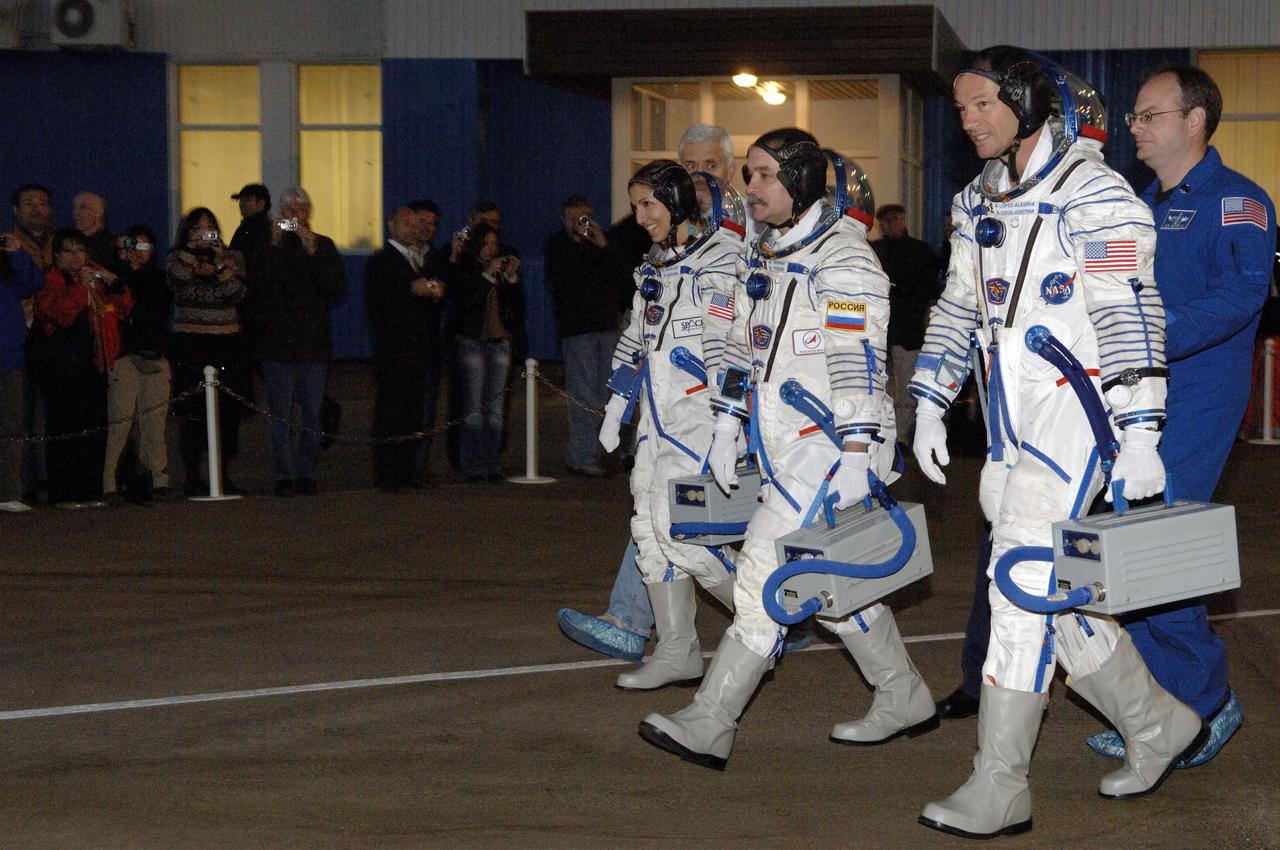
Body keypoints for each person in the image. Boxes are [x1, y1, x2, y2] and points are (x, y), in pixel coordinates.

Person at [910, 48, 1203, 840]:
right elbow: (958, 306)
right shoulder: (977, 200)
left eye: (983, 104)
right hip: (1009, 424)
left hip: (1077, 416)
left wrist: (1140, 430)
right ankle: (1157, 724)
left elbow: (1130, 313)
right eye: (961, 107)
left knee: (1019, 582)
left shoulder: (1097, 196)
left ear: (1028, 104)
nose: (968, 119)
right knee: (1056, 590)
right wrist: (929, 401)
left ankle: (1000, 781)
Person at [640, 128, 931, 769]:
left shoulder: (844, 258)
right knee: (830, 580)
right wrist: (726, 421)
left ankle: (712, 719)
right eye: (749, 174)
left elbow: (858, 361)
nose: (752, 187)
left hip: (828, 447)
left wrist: (856, 449)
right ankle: (902, 692)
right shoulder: (764, 255)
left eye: (766, 174)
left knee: (763, 574)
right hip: (781, 446)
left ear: (800, 181)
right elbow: (740, 346)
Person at [1081, 65, 1275, 771]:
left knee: (1153, 548)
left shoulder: (1238, 202)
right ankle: (1161, 708)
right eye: (1134, 116)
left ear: (1195, 121)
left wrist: (1146, 335)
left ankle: (1205, 703)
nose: (1134, 127)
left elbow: (1242, 298)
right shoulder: (1133, 205)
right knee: (1123, 549)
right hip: (1126, 401)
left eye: (1150, 115)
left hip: (1195, 401)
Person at [556, 123, 742, 663]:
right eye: (688, 167)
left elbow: (732, 351)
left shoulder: (731, 251)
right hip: (661, 421)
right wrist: (617, 404)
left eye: (707, 166)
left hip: (709, 420)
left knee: (686, 534)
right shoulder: (657, 263)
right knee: (651, 523)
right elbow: (637, 337)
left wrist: (729, 423)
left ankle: (766, 617)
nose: (640, 217)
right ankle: (668, 644)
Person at [255, 187, 346, 497]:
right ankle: (284, 475)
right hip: (277, 345)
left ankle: (306, 472)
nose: (296, 216)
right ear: (280, 213)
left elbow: (335, 286)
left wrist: (313, 252)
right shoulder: (269, 245)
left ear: (309, 213)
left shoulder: (323, 245)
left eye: (302, 210)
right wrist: (273, 244)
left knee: (311, 414)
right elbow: (260, 286)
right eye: (289, 210)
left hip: (312, 345)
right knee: (279, 415)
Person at [31, 229, 132, 508]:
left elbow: (123, 305)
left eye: (80, 250)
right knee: (66, 427)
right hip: (62, 367)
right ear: (56, 256)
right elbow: (59, 313)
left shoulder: (96, 277)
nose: (75, 257)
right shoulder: (50, 280)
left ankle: (91, 491)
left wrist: (112, 282)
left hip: (93, 364)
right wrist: (81, 288)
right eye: (68, 251)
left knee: (94, 426)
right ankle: (65, 492)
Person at [544, 195, 632, 477]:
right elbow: (561, 277)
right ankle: (581, 456)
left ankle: (608, 453)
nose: (578, 223)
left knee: (610, 394)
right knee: (583, 394)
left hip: (607, 326)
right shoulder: (557, 246)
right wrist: (580, 241)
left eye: (582, 217)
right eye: (572, 218)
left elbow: (624, 277)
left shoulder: (603, 242)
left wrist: (602, 244)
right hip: (578, 330)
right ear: (563, 219)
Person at [166, 208, 252, 496]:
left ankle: (222, 473)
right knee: (192, 412)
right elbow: (176, 282)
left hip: (226, 342)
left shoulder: (232, 256)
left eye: (209, 227)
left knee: (227, 413)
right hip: (190, 342)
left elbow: (238, 294)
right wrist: (191, 251)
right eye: (197, 228)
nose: (204, 233)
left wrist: (218, 265)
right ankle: (192, 475)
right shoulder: (177, 256)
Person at [364, 206, 447, 492]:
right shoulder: (382, 260)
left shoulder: (420, 260)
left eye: (415, 224)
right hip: (393, 352)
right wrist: (412, 289)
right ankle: (389, 475)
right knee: (391, 413)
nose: (413, 229)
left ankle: (407, 471)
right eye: (407, 224)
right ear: (392, 226)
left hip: (418, 350)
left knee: (413, 413)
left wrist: (434, 291)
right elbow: (379, 301)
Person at [103, 226, 173, 501]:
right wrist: (122, 263)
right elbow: (115, 298)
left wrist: (131, 271)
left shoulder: (160, 278)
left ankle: (158, 478)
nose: (139, 251)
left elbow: (153, 302)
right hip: (125, 356)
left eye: (145, 246)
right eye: (134, 245)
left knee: (154, 421)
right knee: (119, 421)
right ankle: (109, 481)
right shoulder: (115, 274)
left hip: (155, 354)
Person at [448, 222, 523, 482]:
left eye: (494, 244)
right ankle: (472, 465)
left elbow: (515, 309)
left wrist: (511, 278)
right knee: (474, 409)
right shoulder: (464, 269)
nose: (491, 249)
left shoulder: (500, 271)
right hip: (473, 343)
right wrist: (487, 276)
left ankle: (492, 463)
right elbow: (465, 302)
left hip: (500, 343)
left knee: (495, 409)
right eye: (486, 244)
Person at [871, 203, 941, 442]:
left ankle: (899, 437)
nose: (891, 223)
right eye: (886, 220)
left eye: (895, 218)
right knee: (880, 384)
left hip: (907, 328)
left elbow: (930, 289)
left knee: (905, 386)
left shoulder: (919, 251)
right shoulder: (875, 250)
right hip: (880, 329)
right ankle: (883, 434)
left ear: (903, 220)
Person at [0, 232, 42, 512]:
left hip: (9, 359)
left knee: (11, 425)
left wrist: (16, 252)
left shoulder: (8, 270)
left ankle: (7, 493)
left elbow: (33, 283)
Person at [71, 192, 116, 269]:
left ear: (99, 212)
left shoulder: (112, 245)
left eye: (83, 207)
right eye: (74, 207)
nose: (75, 212)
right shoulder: (68, 241)